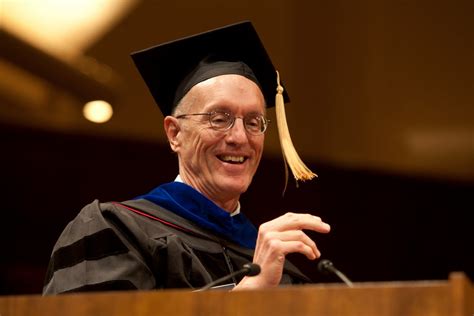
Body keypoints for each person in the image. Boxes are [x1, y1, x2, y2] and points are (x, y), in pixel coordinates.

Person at [43, 21, 330, 294]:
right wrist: (246, 297)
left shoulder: (278, 264)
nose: (240, 137)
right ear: (174, 133)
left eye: (254, 122)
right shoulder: (115, 233)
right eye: (219, 118)